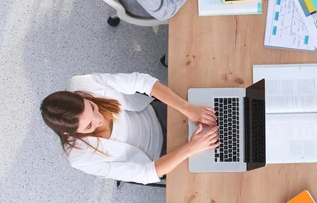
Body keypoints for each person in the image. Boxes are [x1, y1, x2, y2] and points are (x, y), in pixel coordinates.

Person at [40, 72, 219, 184]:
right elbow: (144, 174)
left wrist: (186, 108)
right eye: (89, 125)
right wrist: (191, 148)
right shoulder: (80, 157)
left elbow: (142, 82)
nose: (99, 119)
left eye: (93, 107)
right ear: (69, 133)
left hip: (163, 113)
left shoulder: (81, 85)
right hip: (166, 157)